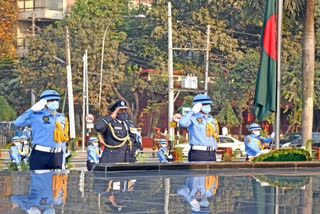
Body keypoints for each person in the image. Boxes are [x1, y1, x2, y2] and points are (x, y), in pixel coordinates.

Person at [14, 89, 69, 170]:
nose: (55, 102)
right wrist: (32, 110)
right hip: (40, 154)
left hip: (57, 155)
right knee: (38, 181)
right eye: (51, 100)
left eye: (56, 100)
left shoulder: (62, 117)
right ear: (44, 102)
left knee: (56, 181)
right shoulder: (36, 116)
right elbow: (18, 122)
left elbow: (63, 140)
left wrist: (63, 160)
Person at [94, 99, 140, 163]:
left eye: (125, 110)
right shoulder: (109, 124)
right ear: (115, 111)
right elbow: (98, 127)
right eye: (120, 110)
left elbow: (134, 141)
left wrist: (133, 154)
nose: (124, 112)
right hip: (112, 160)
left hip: (128, 159)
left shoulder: (130, 124)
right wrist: (111, 117)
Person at [179, 94, 219, 161]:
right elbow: (182, 123)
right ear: (198, 105)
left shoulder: (211, 119)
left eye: (208, 104)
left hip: (212, 152)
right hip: (199, 153)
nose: (207, 106)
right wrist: (192, 111)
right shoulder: (193, 117)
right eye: (204, 104)